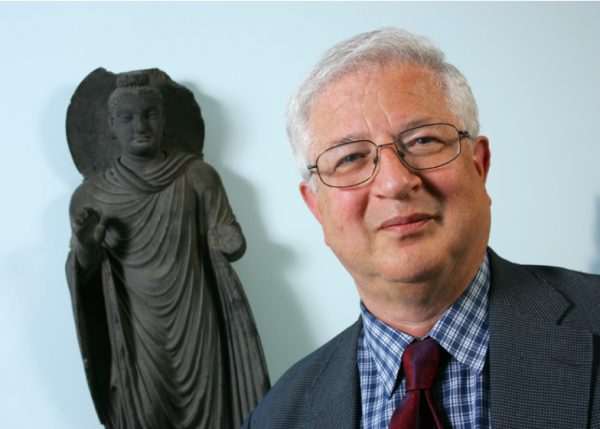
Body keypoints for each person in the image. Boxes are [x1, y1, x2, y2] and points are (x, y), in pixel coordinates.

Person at [243, 27, 600, 428]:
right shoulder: (276, 418)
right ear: (317, 208)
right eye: (350, 158)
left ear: (479, 166)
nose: (395, 182)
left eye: (423, 141)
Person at [66, 72, 269, 428]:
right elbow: (86, 272)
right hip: (136, 326)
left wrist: (231, 240)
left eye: (150, 115)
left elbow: (229, 240)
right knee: (145, 413)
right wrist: (85, 245)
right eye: (127, 119)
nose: (140, 126)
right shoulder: (92, 196)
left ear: (164, 119)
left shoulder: (198, 176)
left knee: (214, 414)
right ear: (111, 126)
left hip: (196, 316)